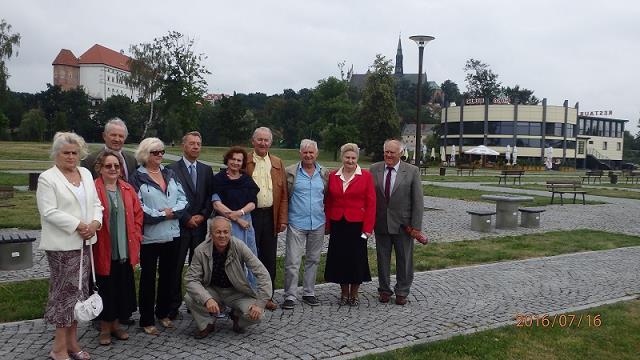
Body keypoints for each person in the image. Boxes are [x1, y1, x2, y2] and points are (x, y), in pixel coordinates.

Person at [36, 132, 103, 360]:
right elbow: (49, 211)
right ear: (56, 154)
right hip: (62, 246)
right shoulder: (48, 178)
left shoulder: (85, 173)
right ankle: (58, 349)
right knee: (64, 296)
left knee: (80, 295)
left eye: (75, 152)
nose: (71, 156)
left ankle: (73, 344)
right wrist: (78, 225)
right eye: (66, 152)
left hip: (85, 243)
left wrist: (94, 223)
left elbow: (96, 203)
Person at [130, 137, 188, 336]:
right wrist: (163, 214)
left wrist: (172, 211)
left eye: (162, 152)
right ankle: (146, 319)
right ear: (145, 154)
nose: (160, 155)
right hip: (150, 237)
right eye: (156, 152)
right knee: (148, 279)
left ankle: (163, 312)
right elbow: (139, 208)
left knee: (169, 277)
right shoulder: (137, 177)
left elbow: (183, 199)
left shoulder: (169, 173)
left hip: (172, 234)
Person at [184, 217, 272, 338]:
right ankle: (207, 323)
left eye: (225, 232)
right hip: (213, 290)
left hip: (237, 291)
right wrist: (207, 299)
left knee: (258, 315)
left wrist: (260, 303)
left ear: (230, 233)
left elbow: (262, 273)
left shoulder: (239, 246)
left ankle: (237, 318)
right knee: (189, 298)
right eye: (218, 232)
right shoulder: (200, 250)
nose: (222, 235)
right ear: (211, 234)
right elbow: (190, 279)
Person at [92, 151, 143, 346]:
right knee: (106, 289)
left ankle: (116, 325)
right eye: (108, 166)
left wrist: (136, 235)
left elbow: (138, 215)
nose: (113, 169)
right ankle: (104, 328)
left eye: (116, 166)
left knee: (121, 289)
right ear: (100, 168)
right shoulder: (93, 189)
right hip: (104, 249)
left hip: (125, 249)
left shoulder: (127, 189)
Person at [166, 131, 214, 319]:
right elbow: (170, 197)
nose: (195, 147)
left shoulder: (206, 170)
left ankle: (195, 302)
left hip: (200, 227)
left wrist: (202, 216)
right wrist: (186, 218)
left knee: (198, 267)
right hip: (180, 226)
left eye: (198, 144)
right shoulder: (171, 169)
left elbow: (210, 197)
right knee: (175, 267)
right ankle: (173, 304)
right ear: (183, 146)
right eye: (192, 143)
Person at [371, 139, 425, 305]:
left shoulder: (412, 171)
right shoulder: (374, 169)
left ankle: (402, 291)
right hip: (381, 223)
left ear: (400, 153)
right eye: (386, 151)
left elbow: (418, 201)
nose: (388, 155)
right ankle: (384, 290)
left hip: (404, 225)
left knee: (404, 259)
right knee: (382, 259)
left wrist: (416, 227)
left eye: (392, 152)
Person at [324, 143, 375, 306]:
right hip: (338, 223)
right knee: (340, 258)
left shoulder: (366, 176)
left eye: (353, 158)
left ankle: (355, 293)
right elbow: (329, 201)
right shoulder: (333, 176)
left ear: (357, 159)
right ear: (342, 158)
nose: (350, 161)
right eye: (347, 157)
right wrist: (327, 224)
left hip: (358, 225)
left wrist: (368, 228)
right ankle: (344, 292)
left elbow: (371, 203)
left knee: (357, 258)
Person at [282, 139, 329, 309]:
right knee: (293, 261)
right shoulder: (290, 172)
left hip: (317, 222)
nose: (308, 155)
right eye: (305, 152)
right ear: (300, 153)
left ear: (317, 154)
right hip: (296, 222)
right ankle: (290, 295)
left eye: (311, 152)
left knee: (313, 259)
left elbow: (327, 197)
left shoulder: (324, 173)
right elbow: (284, 197)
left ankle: (309, 292)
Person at [245, 127, 288, 310]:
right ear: (253, 141)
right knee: (249, 255)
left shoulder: (277, 162)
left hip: (270, 214)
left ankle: (267, 296)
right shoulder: (245, 161)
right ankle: (249, 295)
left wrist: (283, 218)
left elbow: (284, 194)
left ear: (271, 142)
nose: (263, 143)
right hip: (249, 215)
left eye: (266, 140)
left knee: (269, 257)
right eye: (260, 140)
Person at [211, 146, 260, 287]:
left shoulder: (246, 180)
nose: (236, 162)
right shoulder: (218, 179)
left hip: (246, 223)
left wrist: (240, 213)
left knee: (251, 258)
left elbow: (252, 203)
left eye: (239, 160)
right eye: (233, 159)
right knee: (230, 260)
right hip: (225, 224)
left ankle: (252, 292)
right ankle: (230, 297)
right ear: (227, 160)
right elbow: (216, 204)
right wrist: (237, 219)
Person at [81, 118, 137, 182]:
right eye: (113, 135)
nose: (117, 139)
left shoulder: (132, 160)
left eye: (121, 136)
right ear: (104, 136)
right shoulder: (89, 160)